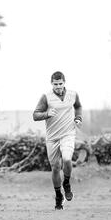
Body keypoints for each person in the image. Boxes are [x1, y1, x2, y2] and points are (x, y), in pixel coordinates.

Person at [33, 71, 83, 210]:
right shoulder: (46, 97)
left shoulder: (73, 94)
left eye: (60, 84)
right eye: (55, 84)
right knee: (55, 167)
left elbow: (78, 106)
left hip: (68, 134)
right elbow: (35, 115)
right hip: (52, 138)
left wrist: (78, 118)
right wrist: (47, 114)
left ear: (64, 82)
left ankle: (66, 183)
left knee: (67, 159)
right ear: (51, 84)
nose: (58, 87)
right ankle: (58, 196)